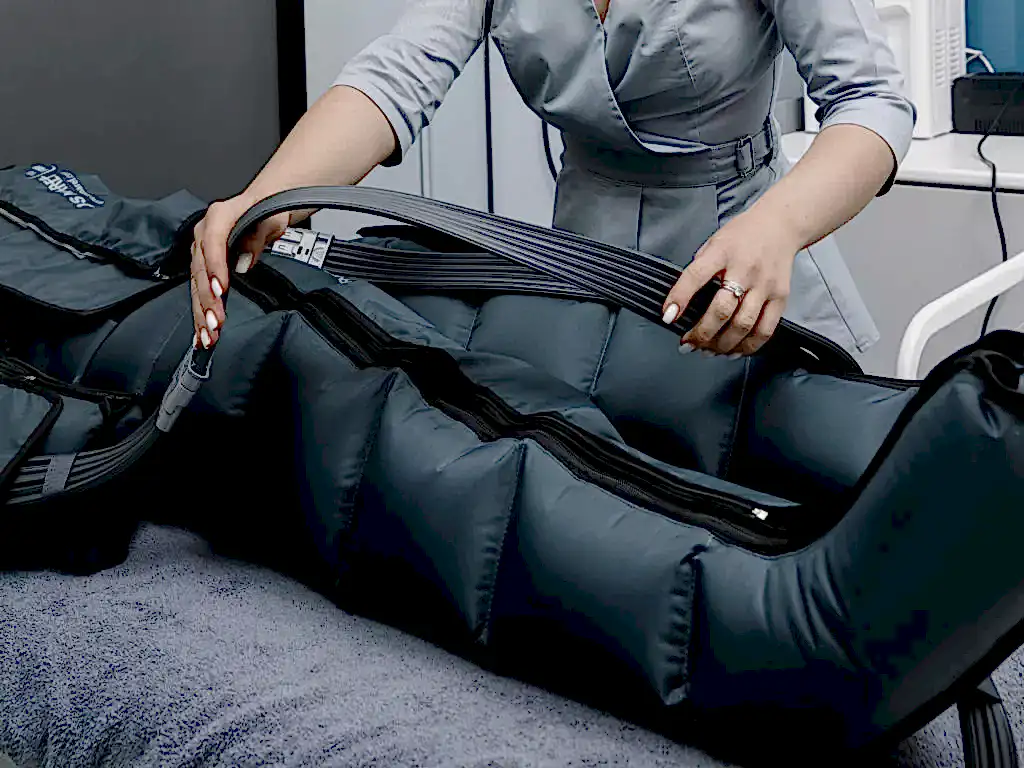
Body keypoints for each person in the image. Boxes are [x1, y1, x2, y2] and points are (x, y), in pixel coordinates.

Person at [188, 0, 914, 360]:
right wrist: (268, 197)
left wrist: (778, 226)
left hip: (747, 272)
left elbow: (873, 100)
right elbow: (396, 76)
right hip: (583, 274)